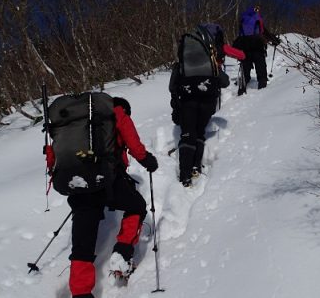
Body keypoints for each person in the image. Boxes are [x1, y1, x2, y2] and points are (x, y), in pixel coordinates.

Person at [67, 96, 158, 298]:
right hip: (107, 182)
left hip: (78, 184)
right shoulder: (117, 112)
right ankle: (123, 252)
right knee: (137, 206)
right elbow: (132, 143)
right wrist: (148, 161)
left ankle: (80, 292)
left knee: (82, 243)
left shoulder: (74, 119)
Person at [170, 24, 236, 187]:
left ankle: (185, 176)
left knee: (187, 133)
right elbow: (226, 82)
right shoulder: (211, 60)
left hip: (188, 100)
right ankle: (195, 167)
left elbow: (172, 86)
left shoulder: (182, 64)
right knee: (199, 132)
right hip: (208, 102)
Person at [232, 5, 281, 93]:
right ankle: (262, 88)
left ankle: (243, 86)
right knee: (260, 66)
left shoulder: (244, 19)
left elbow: (240, 35)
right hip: (257, 46)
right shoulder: (258, 19)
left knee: (245, 67)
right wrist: (275, 40)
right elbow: (264, 32)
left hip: (244, 47)